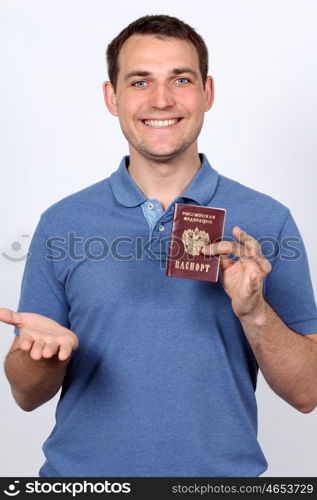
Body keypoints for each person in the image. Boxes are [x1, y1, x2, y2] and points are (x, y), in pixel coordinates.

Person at [2, 14, 317, 478]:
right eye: (140, 81)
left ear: (207, 92)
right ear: (112, 97)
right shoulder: (62, 222)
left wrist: (255, 313)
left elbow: (308, 392)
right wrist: (41, 357)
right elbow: (26, 395)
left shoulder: (267, 221)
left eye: (181, 79)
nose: (162, 100)